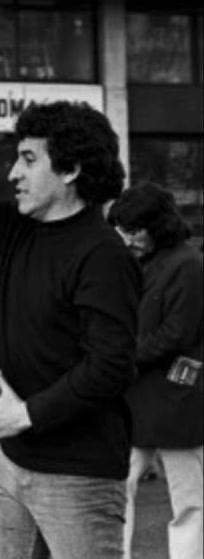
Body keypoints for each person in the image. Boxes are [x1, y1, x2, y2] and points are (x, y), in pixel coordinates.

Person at [0, 69, 140, 559]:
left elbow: (110, 365)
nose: (11, 174)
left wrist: (27, 413)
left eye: (28, 160)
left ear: (69, 171)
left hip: (78, 476)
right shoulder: (19, 228)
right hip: (11, 463)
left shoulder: (104, 255)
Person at [108, 183, 203, 559]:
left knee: (189, 498)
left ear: (158, 226)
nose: (127, 238)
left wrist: (118, 358)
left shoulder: (189, 264)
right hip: (151, 396)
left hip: (171, 397)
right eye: (122, 229)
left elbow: (176, 334)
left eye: (134, 230)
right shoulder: (157, 261)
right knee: (119, 493)